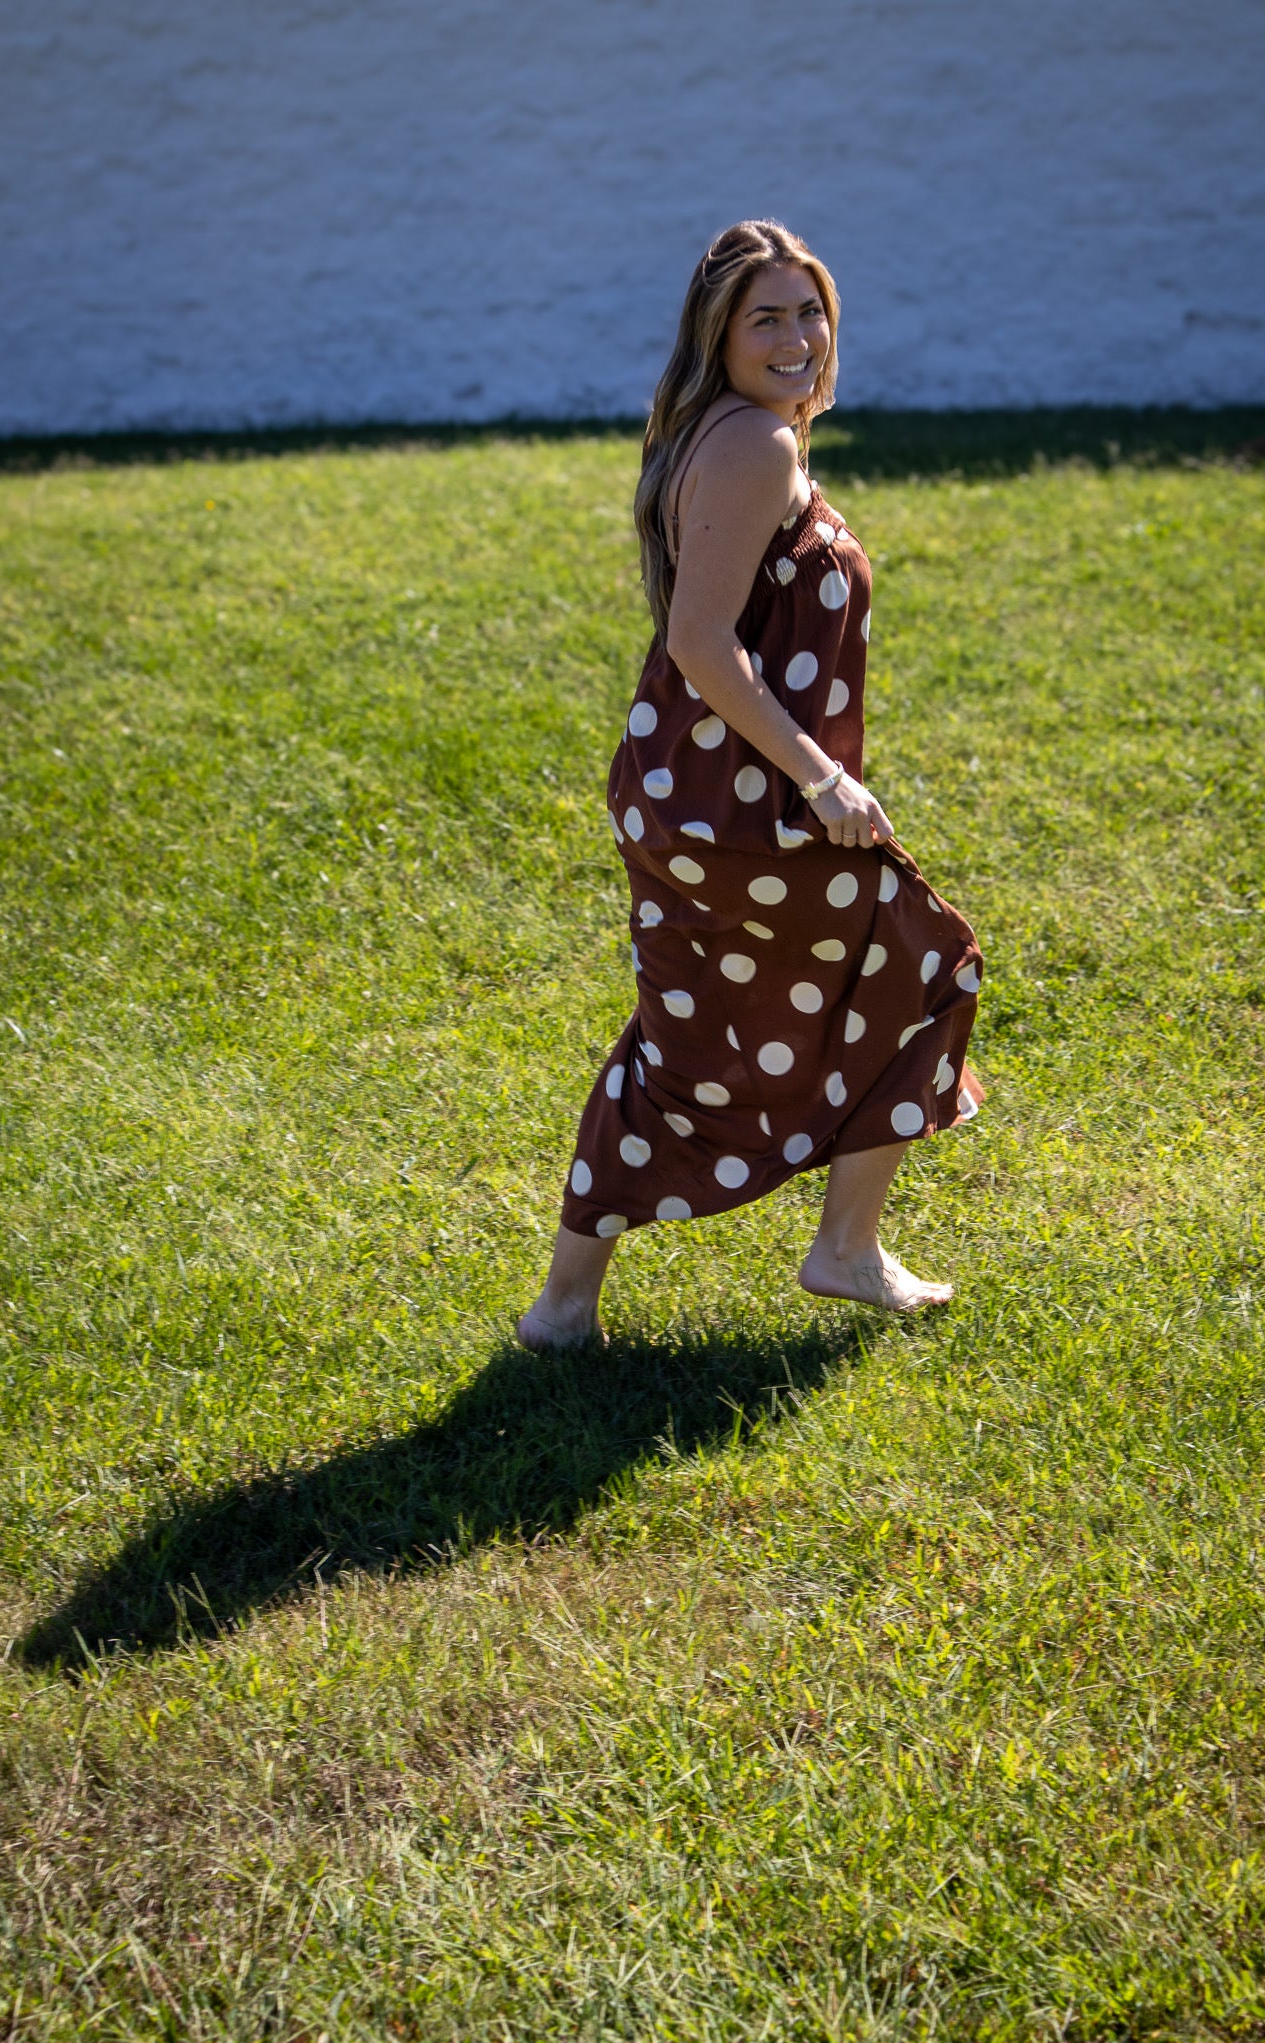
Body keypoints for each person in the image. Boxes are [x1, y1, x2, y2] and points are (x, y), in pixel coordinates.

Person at [517, 219, 983, 1350]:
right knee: (924, 968)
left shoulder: (735, 431)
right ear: (717, 333)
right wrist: (823, 778)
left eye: (809, 311)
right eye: (764, 317)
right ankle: (841, 1252)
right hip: (740, 800)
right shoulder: (751, 447)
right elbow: (701, 641)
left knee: (686, 1036)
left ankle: (565, 1310)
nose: (795, 336)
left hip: (698, 786)